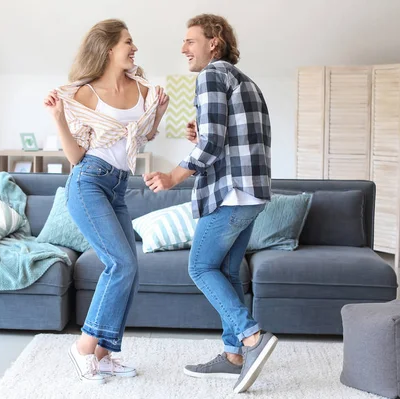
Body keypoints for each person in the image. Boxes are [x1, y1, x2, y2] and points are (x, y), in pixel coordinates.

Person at [143, 14, 275, 393]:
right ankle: (234, 356)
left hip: (229, 194)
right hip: (251, 193)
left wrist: (172, 175)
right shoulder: (244, 81)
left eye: (190, 41)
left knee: (200, 267)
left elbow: (213, 145)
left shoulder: (211, 76)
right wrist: (201, 132)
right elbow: (230, 138)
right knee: (229, 272)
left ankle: (252, 338)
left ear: (213, 42)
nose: (183, 49)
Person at [44, 19, 169, 384]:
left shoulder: (142, 89)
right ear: (109, 48)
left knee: (130, 268)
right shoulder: (84, 94)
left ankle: (103, 353)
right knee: (121, 264)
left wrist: (158, 110)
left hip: (117, 186)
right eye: (128, 42)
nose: (134, 48)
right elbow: (75, 157)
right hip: (88, 183)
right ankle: (83, 347)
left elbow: (141, 139)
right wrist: (58, 120)